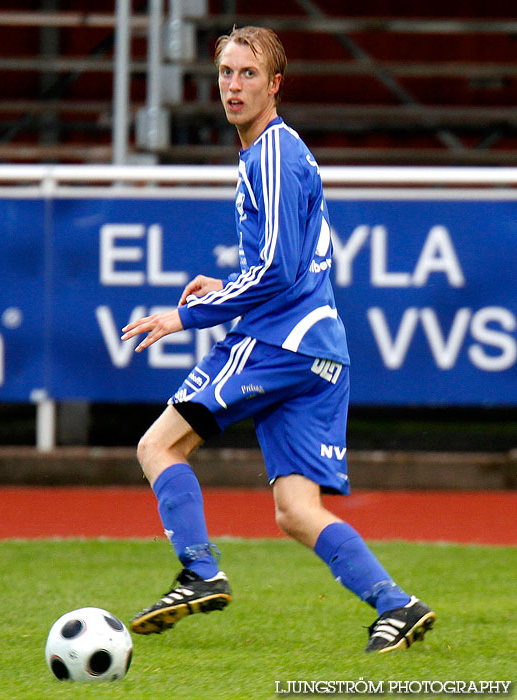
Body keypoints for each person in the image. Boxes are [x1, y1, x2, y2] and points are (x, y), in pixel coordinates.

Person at [121, 25, 435, 653]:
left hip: (278, 342)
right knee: (296, 510)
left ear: (275, 86)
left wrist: (186, 315)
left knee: (158, 446)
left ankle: (201, 572)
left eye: (248, 75)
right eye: (226, 74)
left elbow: (278, 271)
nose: (233, 87)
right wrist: (228, 282)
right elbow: (279, 263)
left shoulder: (270, 153)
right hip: (320, 351)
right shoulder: (278, 151)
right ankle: (398, 606)